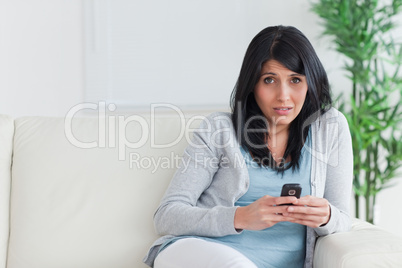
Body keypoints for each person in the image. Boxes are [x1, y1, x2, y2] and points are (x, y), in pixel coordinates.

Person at [143, 25, 353, 268]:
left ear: (311, 83)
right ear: (252, 84)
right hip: (199, 253)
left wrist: (327, 217)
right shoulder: (218, 129)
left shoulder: (330, 127)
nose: (283, 95)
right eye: (269, 80)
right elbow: (166, 216)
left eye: (295, 79)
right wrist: (240, 217)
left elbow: (343, 219)